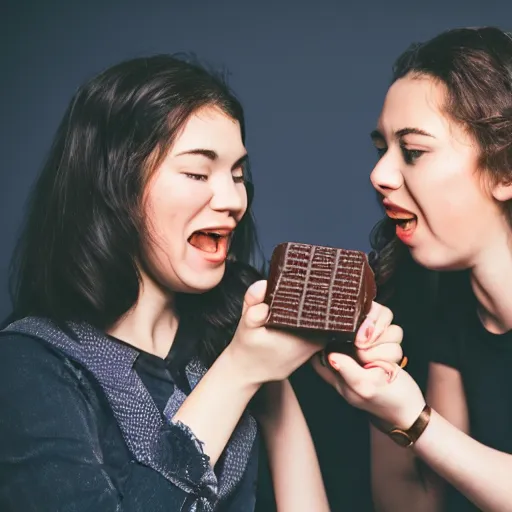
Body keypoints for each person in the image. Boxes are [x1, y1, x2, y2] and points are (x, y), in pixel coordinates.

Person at [0, 54, 401, 511]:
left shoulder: (235, 326)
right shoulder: (28, 366)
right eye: (196, 172)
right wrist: (239, 373)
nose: (233, 200)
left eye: (237, 175)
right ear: (113, 184)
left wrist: (303, 373)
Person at [314, 26, 512, 512]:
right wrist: (382, 396)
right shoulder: (445, 304)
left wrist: (416, 417)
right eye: (382, 148)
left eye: (413, 151)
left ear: (505, 170)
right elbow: (417, 503)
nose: (379, 175)